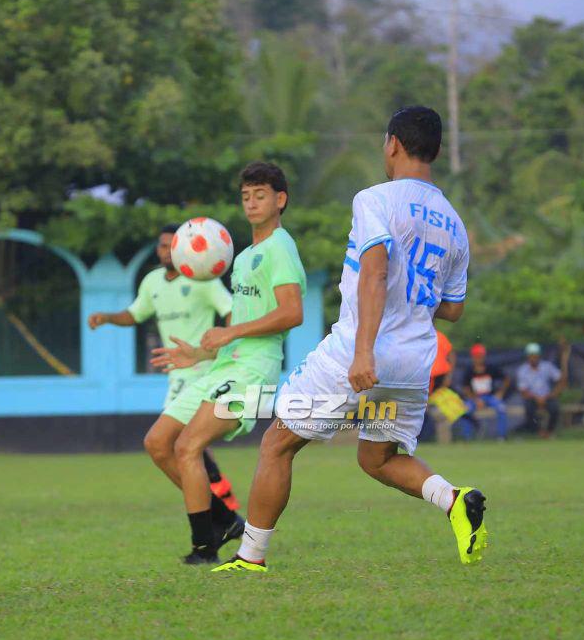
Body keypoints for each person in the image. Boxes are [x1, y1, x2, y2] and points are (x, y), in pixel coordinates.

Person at [213, 106, 487, 573]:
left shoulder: (374, 199)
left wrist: (363, 352)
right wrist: (412, 298)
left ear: (392, 145)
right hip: (414, 360)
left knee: (276, 443)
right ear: (437, 151)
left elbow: (375, 272)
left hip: (363, 351)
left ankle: (250, 558)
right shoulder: (453, 221)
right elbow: (454, 308)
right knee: (377, 458)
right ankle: (454, 499)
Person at [149, 162, 306, 564]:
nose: (252, 203)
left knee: (188, 446)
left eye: (261, 195)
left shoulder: (280, 248)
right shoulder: (243, 257)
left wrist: (230, 334)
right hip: (226, 365)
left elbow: (292, 313)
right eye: (246, 196)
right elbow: (237, 322)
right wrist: (200, 353)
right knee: (159, 443)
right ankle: (224, 520)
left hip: (255, 370)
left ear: (280, 200)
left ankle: (204, 548)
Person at [87, 224, 241, 512]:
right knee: (186, 445)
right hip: (176, 373)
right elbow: (134, 314)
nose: (165, 250)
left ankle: (218, 509)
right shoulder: (152, 282)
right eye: (161, 245)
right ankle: (223, 502)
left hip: (202, 370)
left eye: (172, 245)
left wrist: (222, 341)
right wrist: (107, 317)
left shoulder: (203, 278)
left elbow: (229, 308)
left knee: (173, 443)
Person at [460, 344, 510, 440]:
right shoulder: (469, 370)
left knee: (501, 408)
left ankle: (501, 436)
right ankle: (467, 438)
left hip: (490, 397)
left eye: (481, 355)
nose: (479, 358)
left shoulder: (491, 368)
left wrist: (500, 393)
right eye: (477, 356)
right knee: (464, 410)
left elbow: (506, 379)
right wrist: (475, 400)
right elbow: (465, 388)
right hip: (475, 399)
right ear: (473, 357)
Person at [517, 343, 564, 438]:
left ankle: (549, 431)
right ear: (527, 357)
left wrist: (553, 394)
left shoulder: (547, 366)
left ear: (539, 356)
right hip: (531, 397)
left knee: (554, 408)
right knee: (529, 409)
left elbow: (561, 380)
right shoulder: (522, 370)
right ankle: (539, 432)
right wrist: (536, 398)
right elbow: (523, 390)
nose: (533, 358)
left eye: (535, 356)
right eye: (531, 356)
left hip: (547, 396)